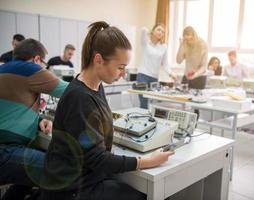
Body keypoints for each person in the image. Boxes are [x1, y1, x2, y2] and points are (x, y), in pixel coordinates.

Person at [40, 21, 174, 200]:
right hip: (73, 189)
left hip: (85, 178)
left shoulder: (95, 87)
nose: (123, 74)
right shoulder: (79, 97)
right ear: (98, 60)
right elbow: (96, 158)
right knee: (145, 195)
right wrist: (147, 161)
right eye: (120, 67)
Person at [0, 39, 68, 199]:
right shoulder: (30, 69)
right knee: (62, 170)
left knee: (28, 178)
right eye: (44, 63)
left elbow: (9, 110)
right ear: (36, 59)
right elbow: (71, 91)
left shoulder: (4, 69)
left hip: (7, 147)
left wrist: (38, 121)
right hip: (5, 150)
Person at [136, 23, 176, 109]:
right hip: (143, 76)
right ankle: (143, 121)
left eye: (163, 31)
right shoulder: (145, 44)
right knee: (144, 104)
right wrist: (149, 31)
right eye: (158, 30)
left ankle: (151, 121)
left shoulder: (164, 47)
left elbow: (165, 64)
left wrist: (171, 73)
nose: (161, 32)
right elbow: (143, 29)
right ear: (153, 31)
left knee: (153, 104)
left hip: (154, 79)